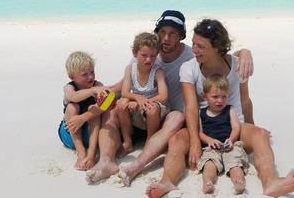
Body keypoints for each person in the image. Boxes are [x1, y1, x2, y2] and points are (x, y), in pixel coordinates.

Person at [86, 10, 254, 185]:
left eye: (173, 34)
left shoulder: (193, 56)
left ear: (181, 36)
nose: (166, 38)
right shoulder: (148, 52)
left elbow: (219, 55)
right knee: (113, 110)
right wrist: (98, 98)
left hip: (167, 118)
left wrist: (245, 52)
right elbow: (124, 85)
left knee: (177, 116)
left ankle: (137, 166)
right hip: (137, 114)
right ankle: (106, 161)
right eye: (162, 32)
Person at [145, 18, 294, 198]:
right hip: (203, 127)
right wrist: (195, 143)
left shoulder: (237, 65)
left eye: (201, 46)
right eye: (194, 44)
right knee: (177, 139)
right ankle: (167, 181)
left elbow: (245, 101)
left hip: (233, 125)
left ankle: (270, 182)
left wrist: (252, 130)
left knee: (260, 135)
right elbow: (192, 108)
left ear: (217, 47)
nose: (194, 50)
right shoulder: (189, 68)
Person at [117, 32, 168, 155]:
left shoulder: (158, 72)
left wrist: (142, 102)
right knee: (121, 103)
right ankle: (128, 141)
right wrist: (136, 99)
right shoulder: (130, 69)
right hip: (138, 104)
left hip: (154, 106)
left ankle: (149, 142)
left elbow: (164, 96)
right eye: (144, 55)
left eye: (152, 56)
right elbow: (124, 92)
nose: (148, 59)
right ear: (135, 53)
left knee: (152, 109)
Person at [198, 73, 248, 195]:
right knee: (209, 164)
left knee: (235, 163)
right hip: (211, 147)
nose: (220, 100)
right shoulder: (201, 113)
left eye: (224, 97)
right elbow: (198, 132)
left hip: (229, 145)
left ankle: (238, 181)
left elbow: (236, 127)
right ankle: (208, 182)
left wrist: (231, 139)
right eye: (215, 97)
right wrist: (209, 140)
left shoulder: (230, 109)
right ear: (204, 96)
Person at [58, 51, 110, 171]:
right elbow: (73, 97)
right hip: (70, 134)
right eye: (84, 74)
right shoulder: (69, 87)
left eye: (92, 72)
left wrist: (100, 94)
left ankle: (91, 154)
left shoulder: (98, 85)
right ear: (72, 76)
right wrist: (92, 91)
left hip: (91, 135)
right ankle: (81, 153)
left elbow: (107, 104)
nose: (90, 77)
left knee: (95, 108)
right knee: (72, 107)